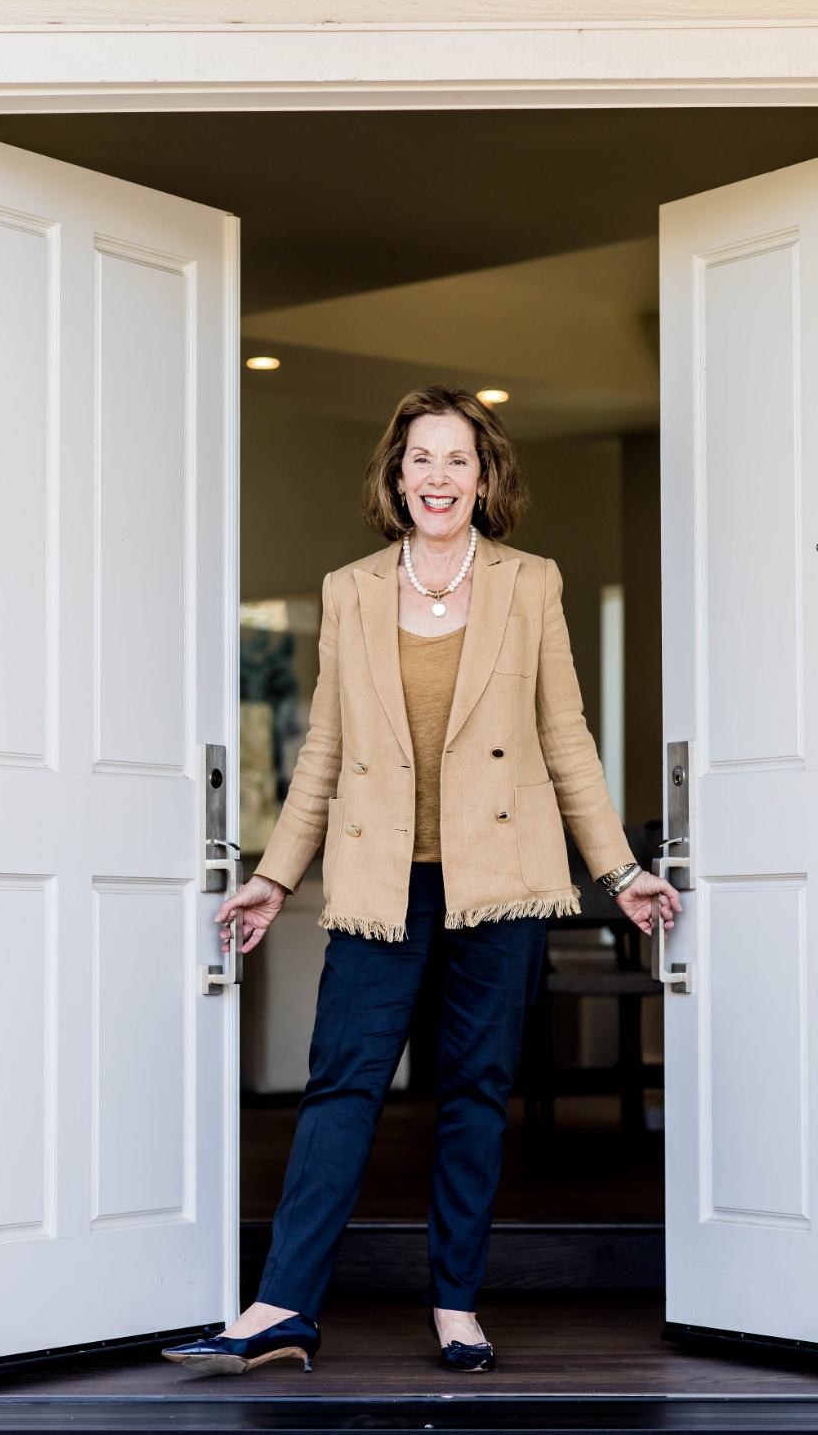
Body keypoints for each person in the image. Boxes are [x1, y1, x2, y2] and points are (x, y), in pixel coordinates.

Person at [164, 387, 680, 1377]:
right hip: (378, 875)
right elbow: (323, 748)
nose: (438, 478)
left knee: (474, 1091)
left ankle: (454, 1304)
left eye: (457, 460)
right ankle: (281, 1308)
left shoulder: (530, 583)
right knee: (341, 1084)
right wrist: (274, 876)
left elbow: (565, 735)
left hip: (503, 876)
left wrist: (615, 868)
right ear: (393, 477)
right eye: (421, 460)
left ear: (483, 478)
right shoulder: (349, 589)